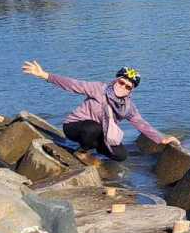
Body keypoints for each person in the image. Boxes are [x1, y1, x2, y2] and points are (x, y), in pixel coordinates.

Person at [21, 61, 179, 161]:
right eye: (121, 82)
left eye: (128, 86)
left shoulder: (128, 106)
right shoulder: (98, 89)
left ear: (131, 90)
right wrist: (44, 75)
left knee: (121, 155)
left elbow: (141, 124)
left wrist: (161, 138)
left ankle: (94, 149)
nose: (123, 86)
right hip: (74, 126)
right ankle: (82, 151)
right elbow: (73, 84)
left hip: (99, 133)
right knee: (93, 127)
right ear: (116, 79)